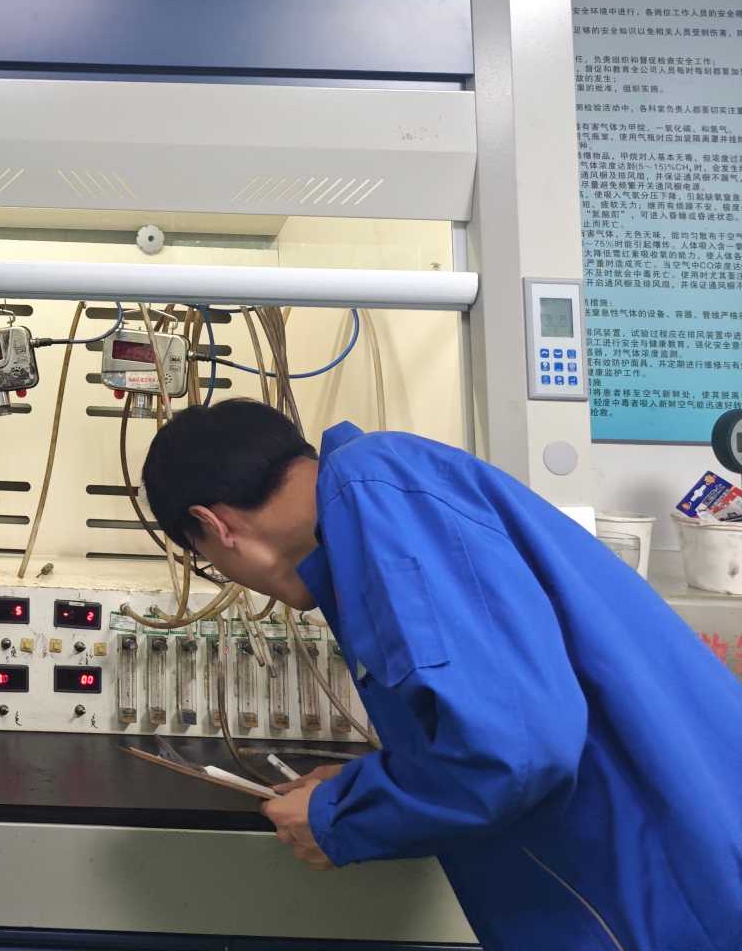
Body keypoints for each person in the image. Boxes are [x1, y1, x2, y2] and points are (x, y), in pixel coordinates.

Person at [140, 400, 742, 951]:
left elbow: (514, 753)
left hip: (671, 902)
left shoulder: (377, 499)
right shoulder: (381, 500)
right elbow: (500, 717)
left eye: (205, 559)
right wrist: (362, 781)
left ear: (215, 525)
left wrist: (339, 816)